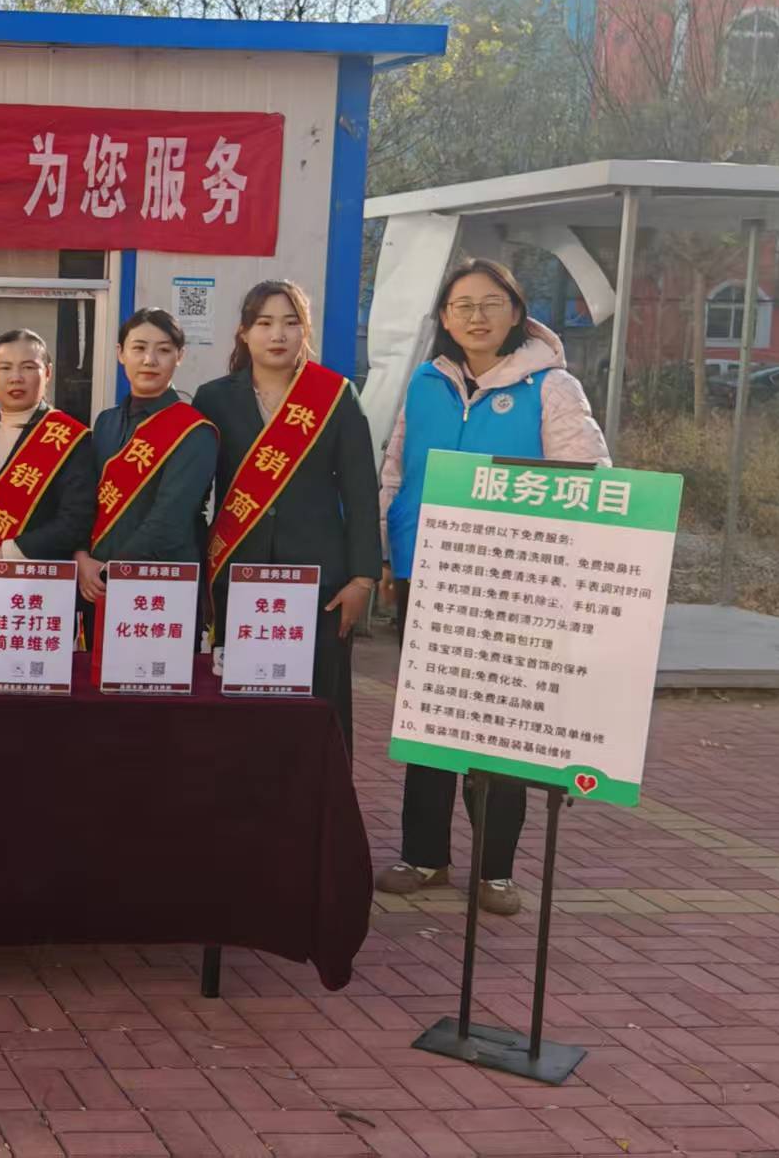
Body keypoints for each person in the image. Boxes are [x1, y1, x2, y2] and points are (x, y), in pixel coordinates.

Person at [374, 257, 609, 916]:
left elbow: (587, 479)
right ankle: (424, 855)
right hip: (429, 576)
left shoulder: (551, 386)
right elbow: (396, 472)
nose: (475, 316)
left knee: (500, 727)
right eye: (461, 306)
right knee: (429, 722)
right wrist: (390, 555)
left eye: (489, 303)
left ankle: (495, 869)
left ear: (516, 312)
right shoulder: (425, 383)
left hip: (512, 584)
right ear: (444, 319)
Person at [194, 280, 379, 755]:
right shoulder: (213, 398)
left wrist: (362, 579)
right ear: (244, 332)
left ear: (305, 331)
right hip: (238, 573)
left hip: (320, 581)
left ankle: (320, 799)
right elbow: (196, 491)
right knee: (239, 710)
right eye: (265, 323)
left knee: (318, 706)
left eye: (290, 323)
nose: (277, 334)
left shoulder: (334, 395)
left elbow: (361, 492)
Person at [0, 329, 96, 637]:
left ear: (48, 373)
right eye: (5, 368)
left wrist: (8, 553)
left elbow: (76, 520)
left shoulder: (72, 439)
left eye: (28, 367)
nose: (16, 378)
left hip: (39, 597)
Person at [76, 309, 218, 606]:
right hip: (94, 580)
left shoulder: (194, 430)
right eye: (139, 348)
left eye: (163, 350)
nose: (149, 360)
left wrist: (111, 570)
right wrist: (82, 557)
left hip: (161, 584)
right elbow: (84, 499)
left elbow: (170, 519)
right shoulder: (106, 421)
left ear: (179, 356)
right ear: (121, 353)